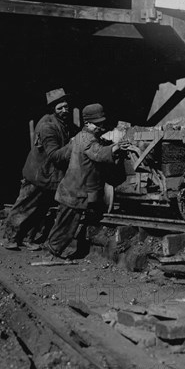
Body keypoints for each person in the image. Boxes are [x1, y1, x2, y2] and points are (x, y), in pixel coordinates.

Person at [44, 103, 129, 259]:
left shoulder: (78, 137)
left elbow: (64, 155)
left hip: (70, 189)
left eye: (102, 123)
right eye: (97, 124)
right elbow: (97, 153)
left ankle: (52, 248)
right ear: (87, 123)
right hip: (76, 192)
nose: (101, 127)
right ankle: (53, 252)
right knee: (67, 225)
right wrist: (114, 148)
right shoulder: (89, 140)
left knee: (63, 221)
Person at [2, 88, 77, 250]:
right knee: (24, 207)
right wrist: (74, 144)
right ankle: (10, 238)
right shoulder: (48, 126)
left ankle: (28, 239)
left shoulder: (63, 123)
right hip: (38, 175)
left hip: (50, 176)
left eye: (66, 107)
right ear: (52, 109)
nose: (65, 110)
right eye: (60, 108)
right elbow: (54, 155)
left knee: (40, 210)